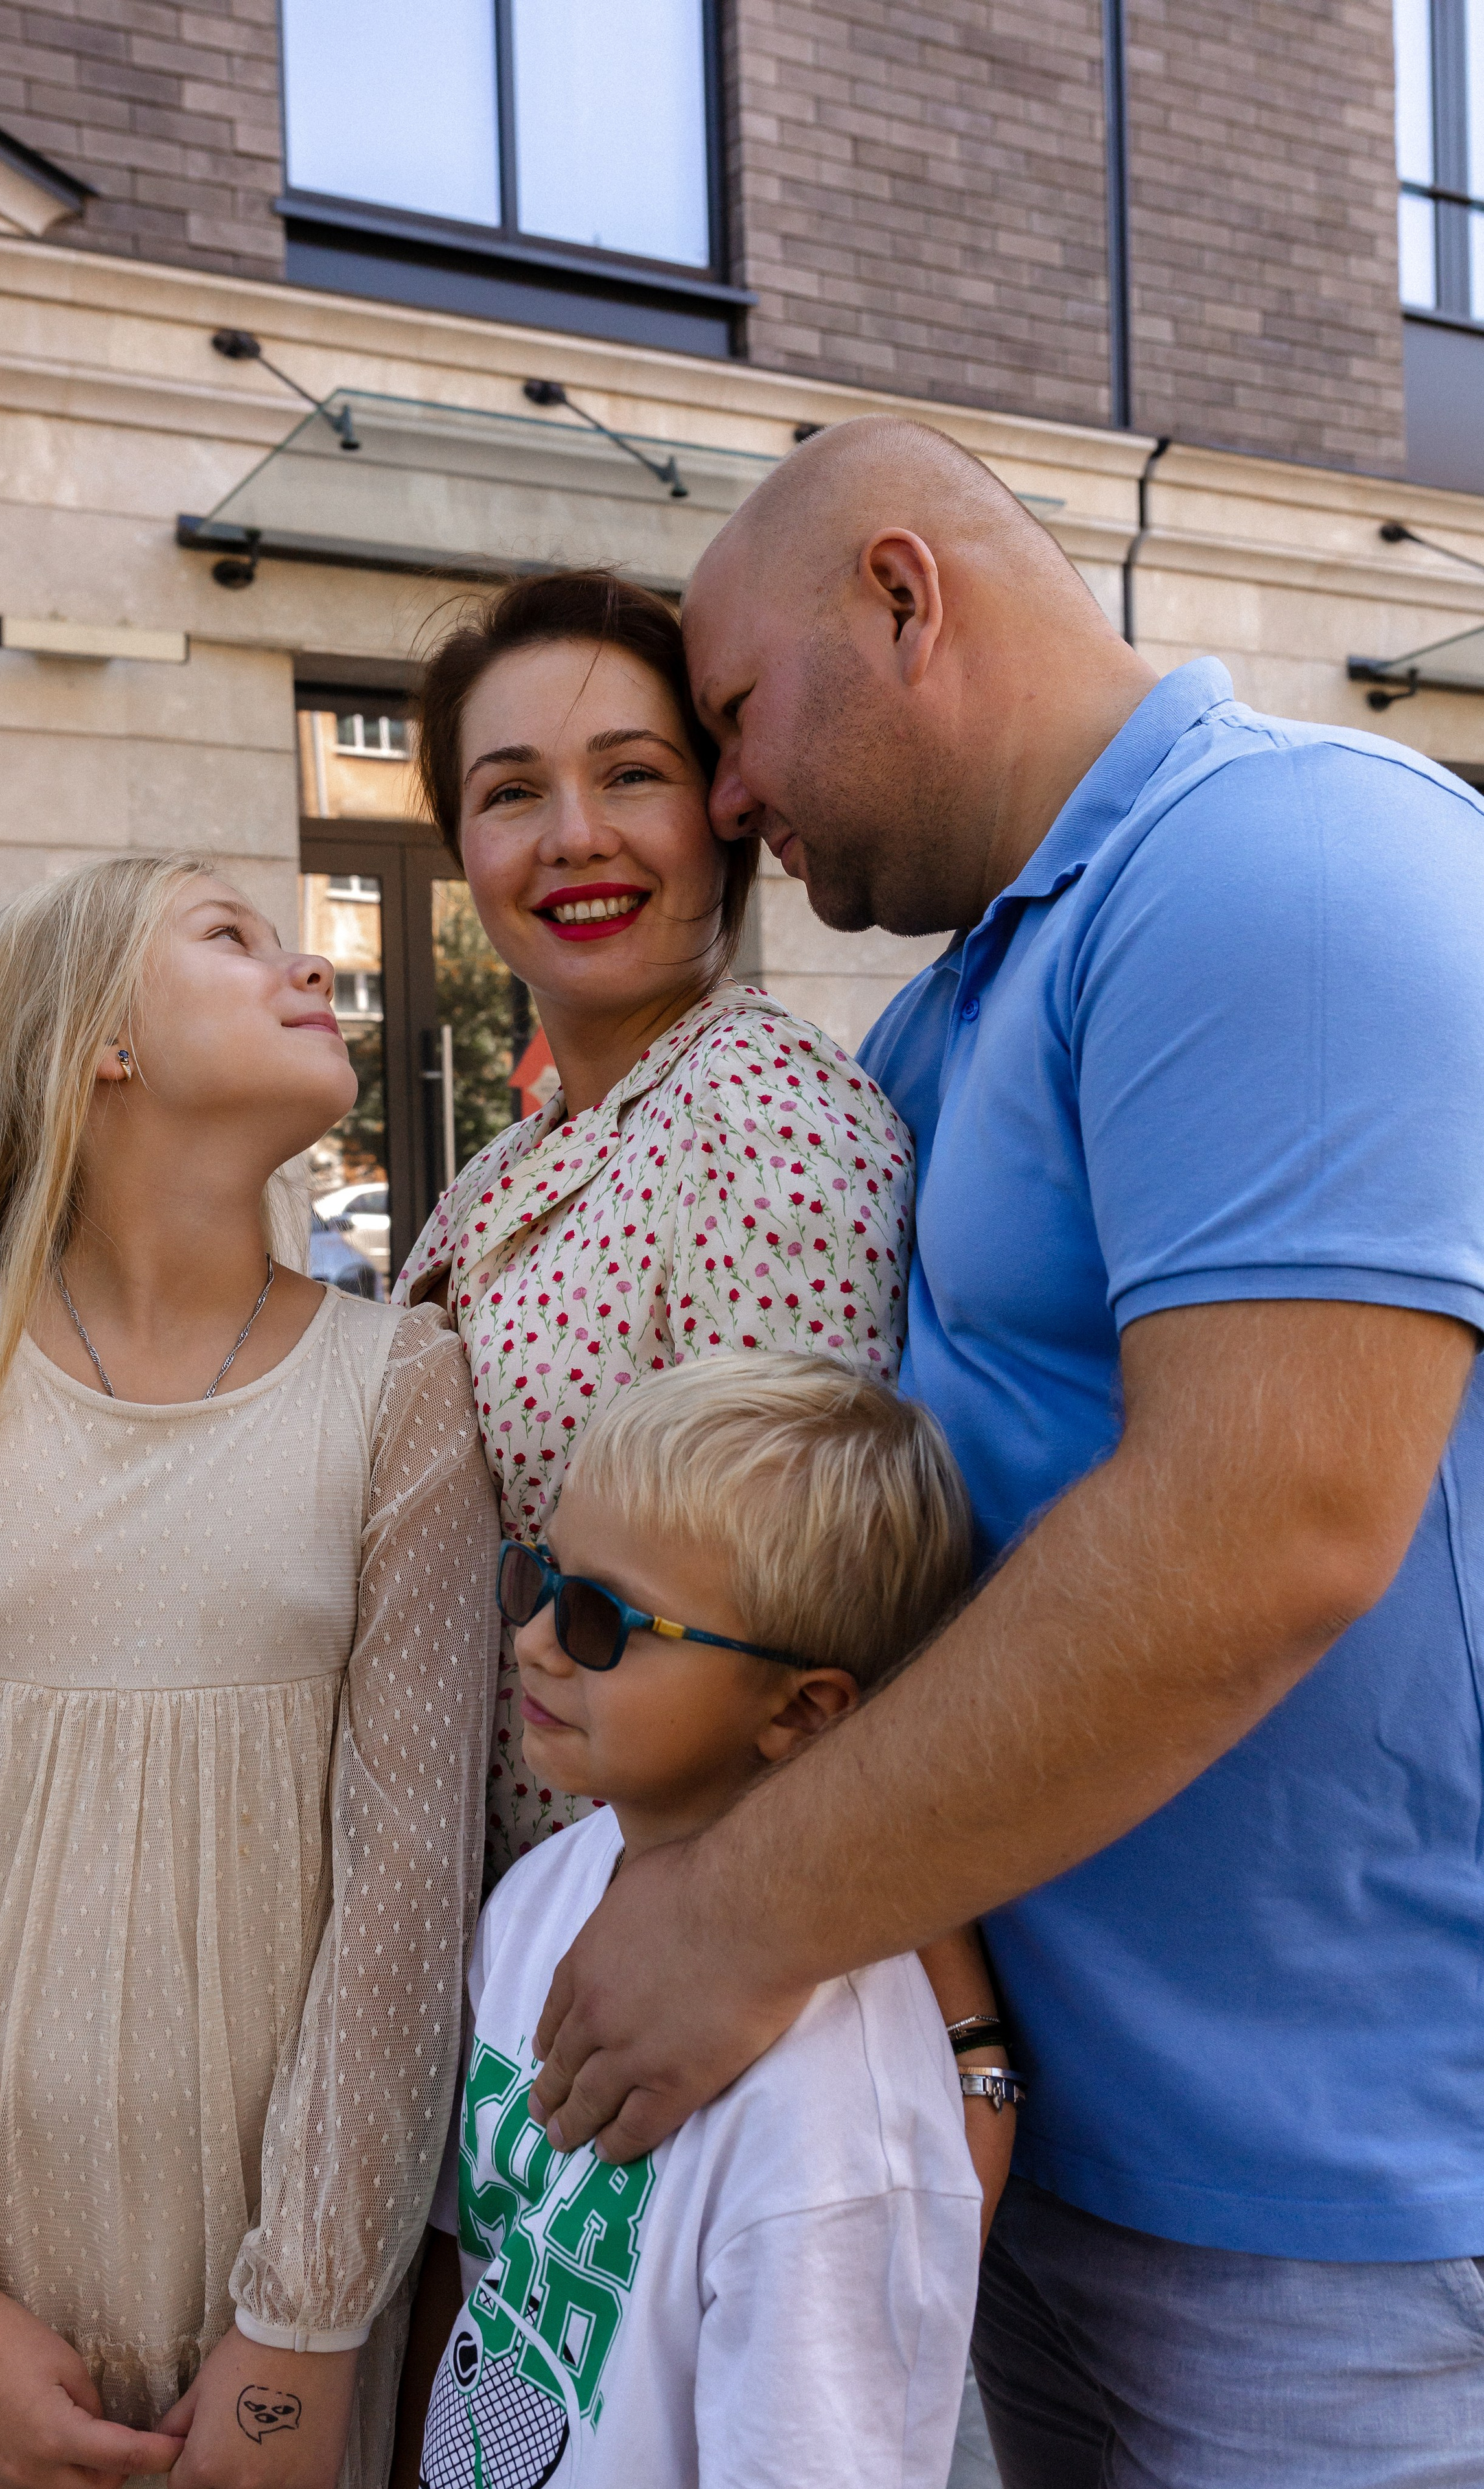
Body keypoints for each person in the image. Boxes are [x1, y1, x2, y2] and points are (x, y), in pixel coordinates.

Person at [520, 417, 1484, 2485]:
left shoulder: (1283, 863)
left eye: (734, 715)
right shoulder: (944, 1016)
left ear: (904, 595)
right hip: (1066, 2173)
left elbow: (1273, 1525)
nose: (730, 790)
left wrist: (739, 1917)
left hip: (1340, 2225)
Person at [0, 857, 499, 2489]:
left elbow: (407, 1891)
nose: (305, 969)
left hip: (267, 2322)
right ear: (98, 1043)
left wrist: (308, 2327)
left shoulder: (399, 1388)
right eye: (228, 933)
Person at [389, 1354, 1006, 2489]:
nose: (530, 1639)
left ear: (802, 1708)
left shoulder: (836, 2110)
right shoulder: (543, 1893)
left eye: (599, 1618)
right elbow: (471, 2260)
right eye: (538, 1579)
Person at [393, 568, 918, 1882]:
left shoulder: (756, 1107)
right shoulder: (508, 1160)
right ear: (461, 850)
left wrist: (705, 1947)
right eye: (511, 791)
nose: (572, 835)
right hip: (519, 1939)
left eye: (630, 774)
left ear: (723, 814)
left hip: (669, 1953)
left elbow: (802, 1632)